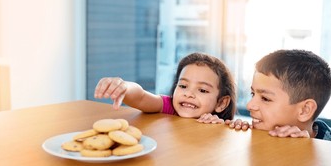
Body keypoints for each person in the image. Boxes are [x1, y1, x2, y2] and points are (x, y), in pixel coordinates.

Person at [223, 49, 331, 144]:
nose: (249, 105)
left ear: (304, 110)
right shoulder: (254, 131)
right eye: (253, 94)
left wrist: (304, 150)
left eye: (265, 98)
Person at [94, 52, 237, 122]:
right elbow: (141, 97)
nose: (189, 94)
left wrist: (218, 128)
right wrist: (125, 87)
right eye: (183, 86)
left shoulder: (218, 124)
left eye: (202, 90)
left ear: (221, 103)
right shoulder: (169, 106)